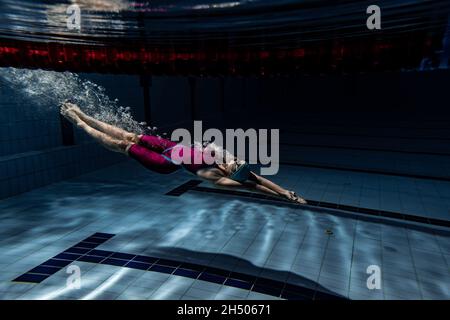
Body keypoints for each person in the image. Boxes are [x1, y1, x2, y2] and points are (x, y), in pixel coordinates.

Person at [60, 102, 307, 204]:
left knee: (120, 146)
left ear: (231, 172)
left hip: (164, 161)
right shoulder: (227, 160)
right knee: (128, 135)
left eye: (236, 163)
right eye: (239, 159)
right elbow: (259, 178)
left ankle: (79, 124)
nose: (236, 158)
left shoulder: (217, 177)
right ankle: (84, 115)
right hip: (171, 147)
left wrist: (278, 197)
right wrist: (286, 192)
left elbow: (252, 186)